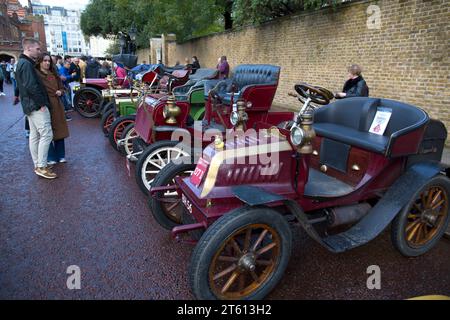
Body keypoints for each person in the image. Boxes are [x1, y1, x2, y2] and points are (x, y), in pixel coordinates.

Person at [15, 38, 56, 179]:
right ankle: (41, 166)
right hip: (35, 105)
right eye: (37, 49)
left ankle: (38, 164)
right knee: (46, 134)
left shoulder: (22, 63)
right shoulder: (26, 64)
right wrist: (42, 104)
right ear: (29, 48)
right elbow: (32, 86)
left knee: (34, 136)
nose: (39, 51)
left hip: (29, 105)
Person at [35, 53, 69, 165]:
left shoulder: (54, 74)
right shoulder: (36, 75)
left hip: (56, 104)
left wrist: (61, 91)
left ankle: (61, 155)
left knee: (59, 130)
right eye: (45, 60)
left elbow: (62, 87)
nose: (47, 63)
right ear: (40, 61)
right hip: (44, 105)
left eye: (49, 61)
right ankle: (51, 157)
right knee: (46, 132)